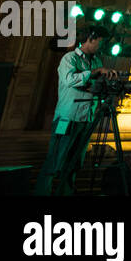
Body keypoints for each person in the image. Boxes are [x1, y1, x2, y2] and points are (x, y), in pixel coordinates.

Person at [35, 26, 120, 195]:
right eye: (100, 42)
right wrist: (94, 72)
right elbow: (69, 80)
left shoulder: (96, 60)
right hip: (67, 118)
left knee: (74, 163)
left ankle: (65, 193)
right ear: (91, 38)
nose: (101, 46)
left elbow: (93, 85)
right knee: (55, 160)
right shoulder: (70, 58)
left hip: (86, 119)